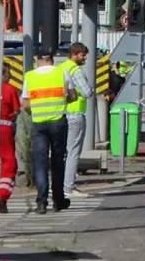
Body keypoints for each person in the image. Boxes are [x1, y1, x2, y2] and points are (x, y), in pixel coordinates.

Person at [21, 49, 76, 214]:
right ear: (52, 60)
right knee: (58, 161)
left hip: (38, 124)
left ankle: (41, 202)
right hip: (58, 122)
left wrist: (36, 111)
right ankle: (58, 200)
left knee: (40, 162)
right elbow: (73, 96)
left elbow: (25, 104)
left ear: (38, 60)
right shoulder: (62, 73)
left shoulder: (30, 76)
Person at [59, 42, 93, 198]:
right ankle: (68, 187)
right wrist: (87, 90)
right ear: (74, 54)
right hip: (75, 114)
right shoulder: (75, 70)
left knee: (62, 152)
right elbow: (87, 92)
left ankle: (60, 184)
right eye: (82, 54)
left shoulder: (60, 68)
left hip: (60, 114)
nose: (84, 57)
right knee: (73, 152)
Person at [0, 65, 21, 213]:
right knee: (9, 163)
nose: (11, 76)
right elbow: (16, 111)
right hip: (5, 127)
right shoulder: (9, 89)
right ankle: (2, 194)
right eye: (9, 74)